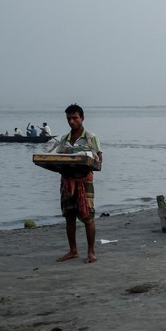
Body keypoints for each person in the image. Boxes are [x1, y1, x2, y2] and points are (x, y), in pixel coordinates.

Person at [52, 103, 103, 263]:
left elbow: (99, 161)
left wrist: (90, 159)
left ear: (82, 118)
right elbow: (56, 158)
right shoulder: (64, 140)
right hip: (67, 181)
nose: (71, 121)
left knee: (88, 217)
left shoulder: (91, 138)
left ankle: (91, 252)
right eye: (68, 118)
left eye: (75, 118)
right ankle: (73, 250)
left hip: (84, 181)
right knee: (69, 217)